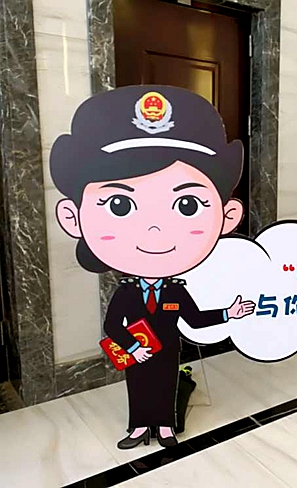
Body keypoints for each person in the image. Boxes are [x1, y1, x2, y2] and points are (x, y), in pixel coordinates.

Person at [50, 85, 256, 449]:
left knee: (165, 385)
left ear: (227, 216)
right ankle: (137, 428)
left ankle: (164, 428)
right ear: (73, 217)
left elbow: (195, 319)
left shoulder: (176, 291)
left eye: (188, 205)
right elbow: (112, 325)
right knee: (138, 386)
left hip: (169, 351)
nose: (155, 232)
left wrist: (230, 312)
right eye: (119, 205)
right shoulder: (127, 292)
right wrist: (132, 347)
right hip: (137, 353)